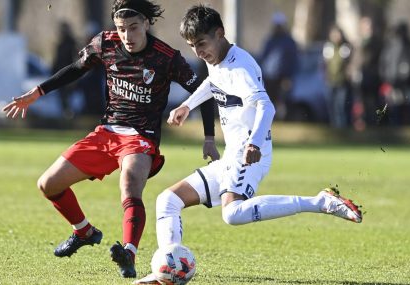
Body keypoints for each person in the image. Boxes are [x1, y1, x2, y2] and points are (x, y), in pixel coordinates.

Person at [133, 5, 362, 284]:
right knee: (168, 200)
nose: (198, 52)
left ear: (220, 34)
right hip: (232, 153)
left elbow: (267, 107)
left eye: (201, 44)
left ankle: (319, 202)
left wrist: (254, 143)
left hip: (250, 153)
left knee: (233, 214)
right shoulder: (216, 58)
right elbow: (213, 82)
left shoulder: (242, 66)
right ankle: (166, 272)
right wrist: (186, 105)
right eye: (192, 46)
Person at [2, 0, 220, 279]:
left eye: (133, 28)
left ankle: (128, 251)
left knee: (129, 186)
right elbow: (75, 68)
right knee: (47, 184)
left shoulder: (166, 57)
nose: (127, 36)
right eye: (121, 29)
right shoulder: (104, 44)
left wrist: (209, 138)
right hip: (107, 132)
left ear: (146, 24)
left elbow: (204, 93)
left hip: (142, 137)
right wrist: (38, 92)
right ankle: (83, 231)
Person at [378, 21, 410, 125]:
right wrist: (387, 79)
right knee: (395, 111)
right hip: (394, 84)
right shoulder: (389, 47)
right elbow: (383, 65)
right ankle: (397, 135)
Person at [257, 12, 298, 120]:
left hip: (283, 76)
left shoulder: (289, 42)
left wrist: (289, 77)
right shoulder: (269, 41)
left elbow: (293, 61)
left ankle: (281, 120)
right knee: (269, 100)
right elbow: (263, 58)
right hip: (269, 76)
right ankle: (270, 120)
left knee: (281, 101)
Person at [323, 25, 353, 128]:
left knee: (341, 105)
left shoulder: (345, 48)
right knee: (331, 106)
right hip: (330, 81)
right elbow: (324, 65)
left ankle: (342, 127)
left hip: (342, 82)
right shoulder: (328, 48)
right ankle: (334, 126)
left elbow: (348, 64)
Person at [52, 21, 78, 118]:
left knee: (68, 98)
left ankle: (70, 115)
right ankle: (65, 115)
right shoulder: (60, 44)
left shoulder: (71, 43)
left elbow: (76, 60)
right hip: (60, 75)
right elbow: (57, 61)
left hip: (69, 74)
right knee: (62, 97)